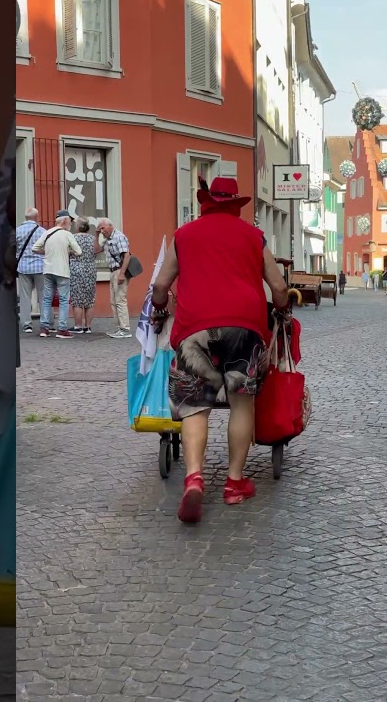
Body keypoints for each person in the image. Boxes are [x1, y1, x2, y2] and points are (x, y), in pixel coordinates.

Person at [148, 177, 290, 524]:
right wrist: (283, 309)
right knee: (242, 402)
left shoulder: (184, 234)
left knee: (195, 406)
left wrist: (159, 305)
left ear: (205, 202)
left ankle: (194, 479)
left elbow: (161, 285)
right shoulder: (253, 236)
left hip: (194, 328)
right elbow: (278, 286)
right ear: (236, 205)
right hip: (244, 326)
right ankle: (234, 483)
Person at [34, 210, 81, 339]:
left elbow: (35, 248)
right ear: (65, 221)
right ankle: (62, 329)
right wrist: (68, 252)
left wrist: (48, 253)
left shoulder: (47, 233)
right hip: (62, 271)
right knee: (64, 300)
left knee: (47, 299)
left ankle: (44, 328)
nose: (70, 224)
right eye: (70, 221)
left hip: (48, 269)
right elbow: (78, 251)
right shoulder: (67, 234)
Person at [94, 218, 132, 339]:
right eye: (100, 229)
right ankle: (120, 328)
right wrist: (96, 235)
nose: (101, 231)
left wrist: (122, 273)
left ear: (110, 226)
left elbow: (127, 256)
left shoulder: (119, 237)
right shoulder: (107, 239)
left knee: (120, 300)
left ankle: (125, 329)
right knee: (114, 301)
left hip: (119, 270)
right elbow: (96, 250)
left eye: (103, 228)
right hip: (112, 271)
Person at [14, 207, 45, 333]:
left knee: (25, 296)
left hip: (23, 267)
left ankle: (26, 324)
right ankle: (45, 323)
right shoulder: (42, 231)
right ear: (36, 217)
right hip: (40, 266)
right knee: (43, 296)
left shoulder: (17, 231)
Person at [69, 217, 96, 333]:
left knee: (77, 299)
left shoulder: (73, 238)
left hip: (76, 269)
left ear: (78, 226)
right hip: (90, 269)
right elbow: (97, 250)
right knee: (90, 299)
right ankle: (88, 326)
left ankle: (78, 326)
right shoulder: (93, 239)